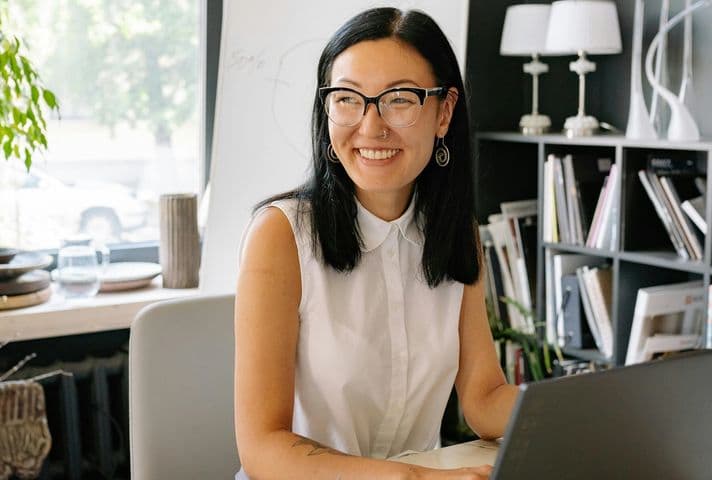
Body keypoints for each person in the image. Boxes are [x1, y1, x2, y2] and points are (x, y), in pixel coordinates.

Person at [234, 7, 518, 480]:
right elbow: (263, 448)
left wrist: (587, 412)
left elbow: (484, 400)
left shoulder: (454, 232)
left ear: (443, 112)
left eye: (399, 99)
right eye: (347, 98)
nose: (370, 126)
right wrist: (412, 479)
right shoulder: (280, 236)